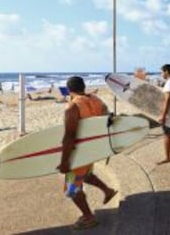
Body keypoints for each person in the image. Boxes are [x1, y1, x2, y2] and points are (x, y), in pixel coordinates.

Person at [56, 76, 118, 230]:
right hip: (91, 151)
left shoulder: (72, 107)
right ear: (83, 87)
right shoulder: (96, 100)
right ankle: (107, 190)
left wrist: (64, 162)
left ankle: (89, 218)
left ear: (69, 90)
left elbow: (69, 136)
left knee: (72, 189)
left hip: (78, 154)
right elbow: (106, 120)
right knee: (86, 175)